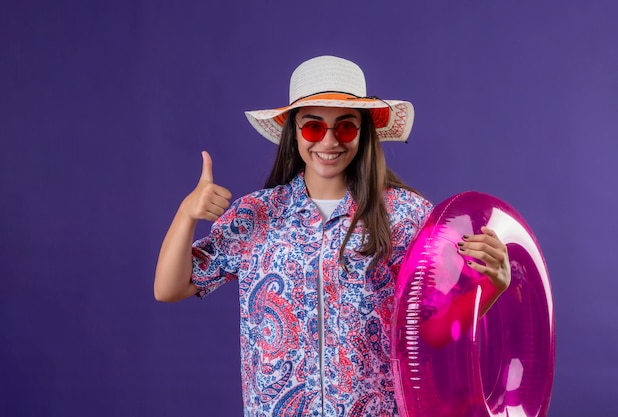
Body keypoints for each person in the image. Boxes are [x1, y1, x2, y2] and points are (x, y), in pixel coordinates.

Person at [154, 55, 511, 417]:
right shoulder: (256, 216)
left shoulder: (407, 216)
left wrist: (492, 286)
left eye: (345, 127)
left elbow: (433, 335)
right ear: (293, 133)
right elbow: (169, 288)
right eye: (313, 127)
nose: (328, 141)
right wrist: (186, 213)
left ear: (363, 133)